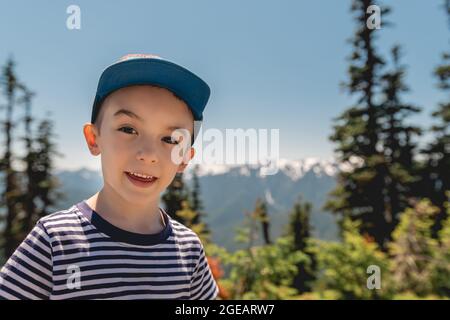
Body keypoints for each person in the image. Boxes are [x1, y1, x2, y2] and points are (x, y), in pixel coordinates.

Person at [0, 54, 219, 300]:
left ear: (185, 158)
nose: (148, 154)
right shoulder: (54, 241)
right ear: (94, 138)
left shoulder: (188, 250)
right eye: (128, 129)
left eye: (170, 139)